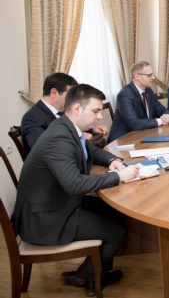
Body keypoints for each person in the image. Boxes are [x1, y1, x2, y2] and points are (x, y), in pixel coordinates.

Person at [12, 84, 141, 297]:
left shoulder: (66, 127)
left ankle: (97, 274)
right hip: (45, 218)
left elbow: (91, 152)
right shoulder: (59, 137)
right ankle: (83, 276)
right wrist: (117, 177)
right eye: (95, 111)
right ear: (78, 109)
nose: (99, 116)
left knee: (116, 211)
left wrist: (113, 161)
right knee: (117, 232)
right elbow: (73, 185)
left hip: (57, 203)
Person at [21, 72, 108, 155]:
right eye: (70, 95)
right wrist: (76, 136)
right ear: (54, 93)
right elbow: (43, 147)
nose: (73, 100)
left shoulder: (62, 111)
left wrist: (92, 130)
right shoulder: (32, 117)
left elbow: (73, 126)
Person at [107, 61, 169, 143]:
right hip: (123, 140)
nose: (153, 78)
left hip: (143, 135)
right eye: (149, 75)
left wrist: (167, 116)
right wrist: (160, 121)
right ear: (137, 76)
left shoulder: (148, 91)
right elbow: (134, 123)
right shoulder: (125, 94)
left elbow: (162, 110)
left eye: (152, 74)